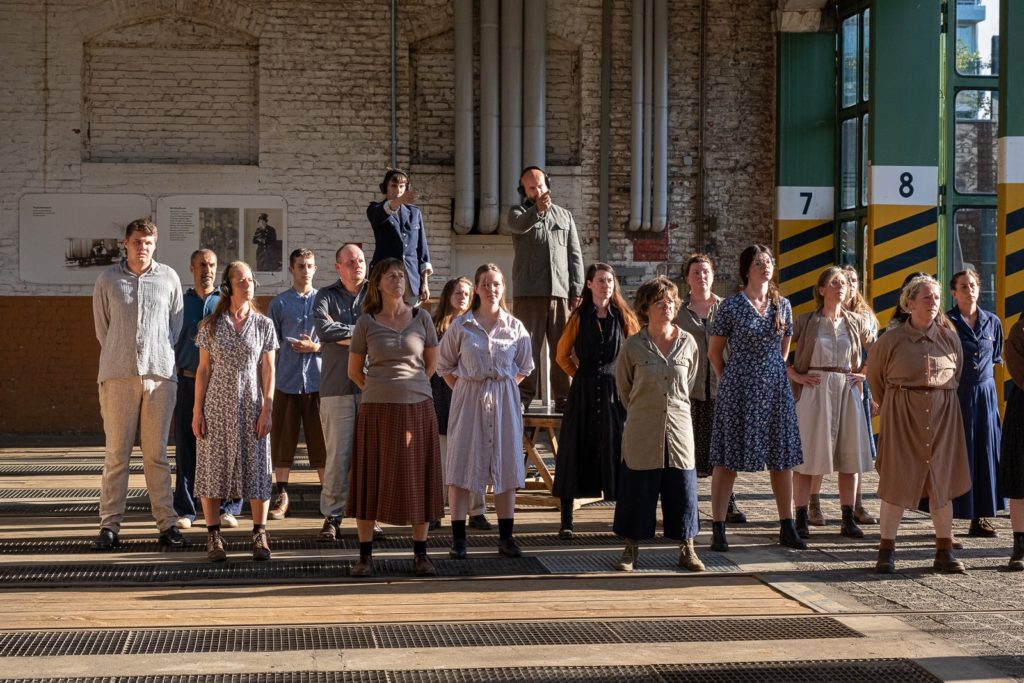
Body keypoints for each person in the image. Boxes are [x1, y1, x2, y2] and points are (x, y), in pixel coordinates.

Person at [91, 218, 187, 550]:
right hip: (118, 375)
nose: (142, 247)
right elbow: (103, 329)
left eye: (148, 242)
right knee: (117, 454)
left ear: (155, 245)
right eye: (136, 241)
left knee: (156, 454)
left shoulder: (169, 278)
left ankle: (167, 524)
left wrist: (156, 353)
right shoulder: (108, 279)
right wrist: (122, 354)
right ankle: (109, 526)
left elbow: (174, 328)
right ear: (126, 243)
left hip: (159, 376)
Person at [867, 275, 971, 574]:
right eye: (927, 297)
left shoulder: (949, 338)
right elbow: (876, 380)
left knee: (942, 482)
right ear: (909, 303)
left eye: (936, 297)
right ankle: (886, 551)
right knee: (896, 481)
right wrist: (898, 406)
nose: (933, 302)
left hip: (943, 418)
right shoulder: (890, 340)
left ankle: (944, 551)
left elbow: (956, 375)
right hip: (903, 417)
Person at [347, 258, 443, 576]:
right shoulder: (366, 322)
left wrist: (412, 387)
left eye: (401, 275)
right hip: (376, 410)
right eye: (391, 276)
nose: (398, 280)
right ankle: (365, 557)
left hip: (418, 408)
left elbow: (432, 363)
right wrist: (379, 389)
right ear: (377, 283)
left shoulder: (421, 317)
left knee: (417, 476)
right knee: (371, 477)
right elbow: (354, 371)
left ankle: (420, 554)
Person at [708, 244, 804, 551]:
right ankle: (718, 527)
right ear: (747, 269)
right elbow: (714, 352)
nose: (766, 267)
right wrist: (731, 380)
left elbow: (784, 350)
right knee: (728, 458)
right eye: (759, 263)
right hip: (738, 388)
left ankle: (787, 525)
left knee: (782, 456)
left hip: (775, 388)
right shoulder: (731, 306)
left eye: (769, 262)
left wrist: (769, 373)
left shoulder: (782, 305)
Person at [438, 263, 534, 560]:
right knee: (462, 466)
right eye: (486, 284)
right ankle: (458, 540)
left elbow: (524, 366)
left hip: (504, 402)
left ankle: (506, 538)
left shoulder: (515, 327)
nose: (491, 289)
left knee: (506, 465)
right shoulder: (461, 326)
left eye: (496, 284)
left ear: (503, 288)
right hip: (469, 400)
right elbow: (444, 365)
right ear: (477, 289)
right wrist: (465, 388)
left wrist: (504, 387)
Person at [612, 276, 705, 572]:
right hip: (643, 428)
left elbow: (689, 383)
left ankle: (687, 547)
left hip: (678, 428)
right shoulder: (632, 346)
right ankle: (630, 548)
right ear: (645, 307)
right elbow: (625, 390)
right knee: (637, 489)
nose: (667, 305)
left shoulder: (688, 343)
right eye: (660, 301)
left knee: (683, 489)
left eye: (671, 301)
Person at [193, 261, 278, 562]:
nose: (247, 285)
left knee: (258, 465)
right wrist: (197, 411)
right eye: (241, 281)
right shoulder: (210, 325)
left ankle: (259, 533)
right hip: (217, 405)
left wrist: (267, 409)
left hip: (252, 403)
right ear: (227, 287)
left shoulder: (264, 324)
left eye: (250, 280)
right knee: (212, 466)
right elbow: (203, 370)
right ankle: (213, 535)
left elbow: (268, 369)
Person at [552, 263, 639, 539]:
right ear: (589, 284)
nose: (606, 285)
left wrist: (626, 380)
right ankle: (567, 520)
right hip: (584, 392)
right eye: (601, 280)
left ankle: (623, 518)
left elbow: (638, 351)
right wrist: (580, 375)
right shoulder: (579, 316)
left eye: (610, 281)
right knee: (574, 449)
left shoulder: (623, 316)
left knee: (618, 449)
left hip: (615, 392)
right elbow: (562, 354)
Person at [787, 266, 874, 540]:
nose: (841, 286)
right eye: (835, 282)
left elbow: (880, 348)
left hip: (846, 389)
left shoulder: (856, 321)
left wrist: (864, 372)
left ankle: (847, 518)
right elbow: (777, 348)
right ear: (822, 289)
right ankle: (801, 517)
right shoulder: (806, 320)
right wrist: (794, 374)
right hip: (814, 391)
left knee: (849, 458)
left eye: (844, 283)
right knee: (806, 457)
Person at [312, 244, 384, 542]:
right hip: (336, 388)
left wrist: (347, 332)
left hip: (373, 387)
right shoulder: (325, 296)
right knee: (338, 457)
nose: (357, 265)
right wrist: (364, 333)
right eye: (350, 261)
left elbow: (384, 330)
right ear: (338, 267)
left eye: (361, 260)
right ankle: (333, 517)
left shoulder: (377, 294)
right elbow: (324, 332)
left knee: (371, 457)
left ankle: (370, 517)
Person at [172, 249, 242, 530]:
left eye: (212, 265)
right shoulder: (179, 303)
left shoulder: (225, 302)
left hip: (220, 384)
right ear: (191, 268)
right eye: (202, 265)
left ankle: (227, 507)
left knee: (224, 446)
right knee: (186, 446)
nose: (207, 270)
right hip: (186, 381)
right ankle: (186, 510)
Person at [674, 253, 747, 524]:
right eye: (696, 272)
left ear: (713, 276)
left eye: (706, 272)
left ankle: (728, 503)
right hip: (688, 392)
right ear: (687, 278)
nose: (701, 276)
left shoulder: (727, 308)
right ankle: (687, 504)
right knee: (687, 450)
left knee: (724, 451)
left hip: (721, 390)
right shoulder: (679, 311)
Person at [506, 166, 585, 411]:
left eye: (540, 185)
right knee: (527, 346)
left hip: (560, 293)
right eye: (531, 188)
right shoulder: (517, 213)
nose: (538, 191)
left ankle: (564, 397)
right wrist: (537, 212)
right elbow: (519, 227)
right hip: (528, 293)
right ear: (524, 191)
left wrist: (577, 290)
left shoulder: (564, 216)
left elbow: (575, 255)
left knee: (562, 348)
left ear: (547, 185)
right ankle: (523, 397)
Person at [267, 249, 328, 521]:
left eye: (310, 266)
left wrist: (315, 347)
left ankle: (328, 496)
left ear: (316, 269)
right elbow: (271, 344)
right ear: (291, 269)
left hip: (317, 381)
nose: (305, 270)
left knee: (321, 440)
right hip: (287, 381)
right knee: (282, 440)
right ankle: (282, 495)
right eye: (301, 266)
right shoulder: (279, 303)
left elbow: (334, 338)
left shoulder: (324, 301)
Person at [430, 277, 493, 532]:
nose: (462, 297)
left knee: (475, 454)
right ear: (448, 295)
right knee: (442, 458)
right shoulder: (434, 325)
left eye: (467, 293)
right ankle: (435, 510)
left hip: (471, 397)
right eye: (457, 292)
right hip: (441, 396)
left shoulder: (477, 324)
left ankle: (477, 511)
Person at [947, 269, 1004, 537]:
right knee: (957, 453)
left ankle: (980, 517)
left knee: (985, 452)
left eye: (973, 285)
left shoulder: (992, 321)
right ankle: (946, 518)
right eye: (963, 286)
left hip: (986, 396)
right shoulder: (946, 322)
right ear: (954, 292)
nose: (969, 290)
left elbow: (995, 357)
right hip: (957, 393)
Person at [841, 264, 879, 526]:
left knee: (855, 451)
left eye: (854, 280)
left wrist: (865, 376)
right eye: (846, 279)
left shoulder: (865, 316)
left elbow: (876, 352)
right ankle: (813, 504)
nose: (851, 284)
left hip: (857, 386)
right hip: (832, 383)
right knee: (821, 448)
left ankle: (857, 504)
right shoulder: (827, 314)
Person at [366, 169, 432, 305]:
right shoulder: (375, 209)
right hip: (385, 277)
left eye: (402, 186)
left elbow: (422, 250)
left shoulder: (414, 213)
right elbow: (381, 214)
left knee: (409, 315)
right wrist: (398, 201)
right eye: (394, 186)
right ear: (385, 187)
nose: (398, 190)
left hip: (411, 278)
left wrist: (425, 282)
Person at [997, 317, 1024, 570]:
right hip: (1022, 413)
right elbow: (1019, 373)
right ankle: (1020, 547)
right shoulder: (1019, 330)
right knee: (1020, 483)